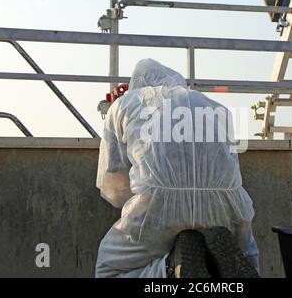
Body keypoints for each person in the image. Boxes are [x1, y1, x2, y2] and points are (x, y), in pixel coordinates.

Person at [95, 58, 259, 278]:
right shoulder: (217, 108)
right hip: (227, 209)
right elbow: (231, 170)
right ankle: (227, 269)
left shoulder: (125, 105)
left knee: (109, 271)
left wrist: (136, 205)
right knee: (246, 254)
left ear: (137, 85)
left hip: (156, 207)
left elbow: (113, 185)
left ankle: (170, 270)